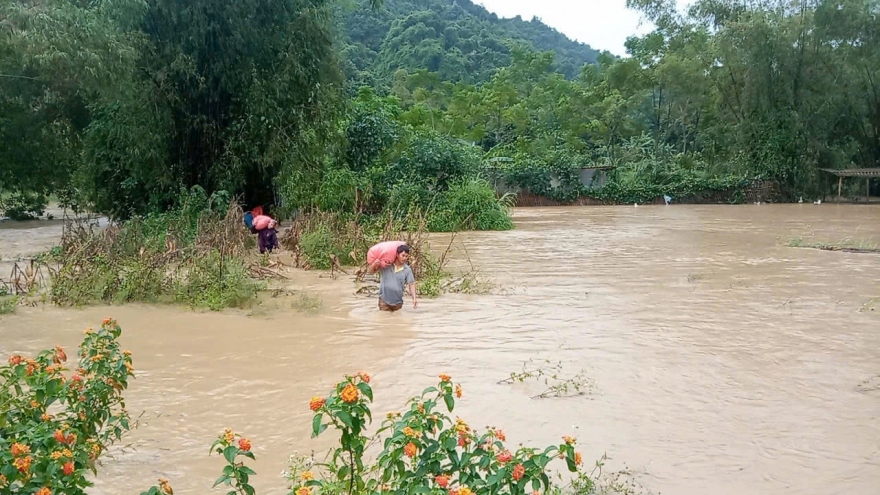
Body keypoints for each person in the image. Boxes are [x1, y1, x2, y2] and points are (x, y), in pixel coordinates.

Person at [368, 244, 418, 311]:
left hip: (398, 302)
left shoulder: (407, 270)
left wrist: (414, 298)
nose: (404, 258)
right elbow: (370, 272)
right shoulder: (386, 265)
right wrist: (374, 265)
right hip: (384, 301)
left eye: (406, 256)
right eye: (403, 255)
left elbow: (411, 284)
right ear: (397, 255)